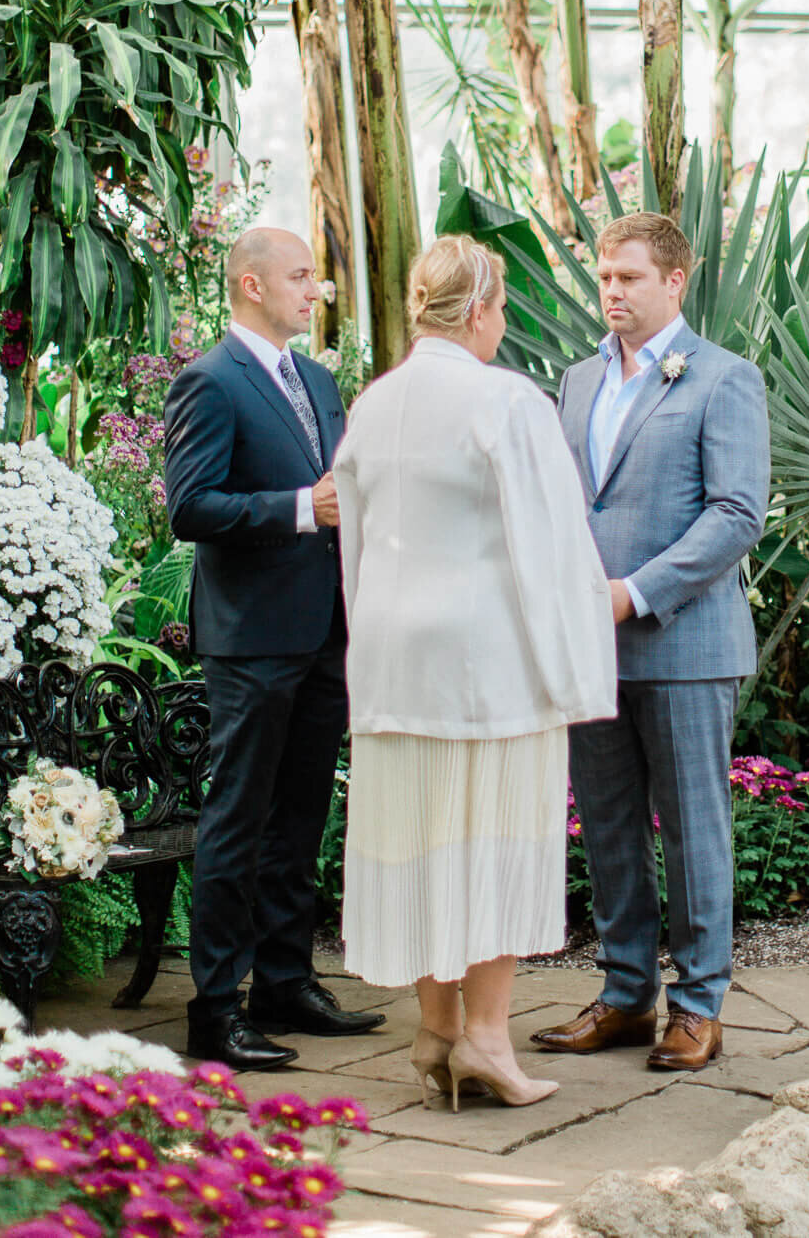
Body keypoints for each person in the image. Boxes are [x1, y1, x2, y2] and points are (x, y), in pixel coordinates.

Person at [333, 235, 615, 1110]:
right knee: (492, 842)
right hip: (488, 660)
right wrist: (576, 669)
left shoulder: (373, 404)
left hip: (391, 658)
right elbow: (552, 542)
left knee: (420, 841)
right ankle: (488, 1040)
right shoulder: (506, 400)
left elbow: (355, 543)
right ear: (483, 310)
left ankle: (437, 1030)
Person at [531, 213, 770, 1073]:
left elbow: (737, 512)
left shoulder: (723, 379)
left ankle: (698, 1005)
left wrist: (633, 594)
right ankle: (626, 995)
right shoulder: (576, 380)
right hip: (587, 647)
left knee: (693, 827)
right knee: (607, 827)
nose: (612, 291)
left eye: (629, 277)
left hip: (683, 641)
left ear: (675, 281)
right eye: (604, 277)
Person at [164, 227, 385, 1071]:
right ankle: (215, 1009)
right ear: (251, 286)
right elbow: (191, 508)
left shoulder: (321, 383)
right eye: (299, 277)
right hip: (251, 639)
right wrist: (300, 509)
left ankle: (285, 985)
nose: (313, 290)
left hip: (325, 631)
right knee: (236, 820)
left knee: (299, 818)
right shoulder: (208, 382)